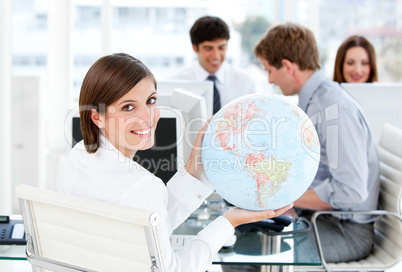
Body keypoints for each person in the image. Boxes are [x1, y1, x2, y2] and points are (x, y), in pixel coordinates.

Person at [58, 53, 292, 272]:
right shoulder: (142, 186)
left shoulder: (78, 157)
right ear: (97, 116)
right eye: (128, 107)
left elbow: (151, 220)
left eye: (151, 101)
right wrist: (228, 222)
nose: (148, 117)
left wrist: (194, 168)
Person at [253, 23, 380, 264]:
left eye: (270, 70)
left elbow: (351, 192)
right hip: (321, 218)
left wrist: (282, 198)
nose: (270, 79)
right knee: (245, 234)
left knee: (255, 255)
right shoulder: (315, 101)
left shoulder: (334, 108)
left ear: (288, 67)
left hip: (345, 232)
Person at [170, 15, 255, 114]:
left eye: (221, 48)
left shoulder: (245, 82)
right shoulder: (177, 83)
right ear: (195, 48)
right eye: (208, 48)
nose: (216, 56)